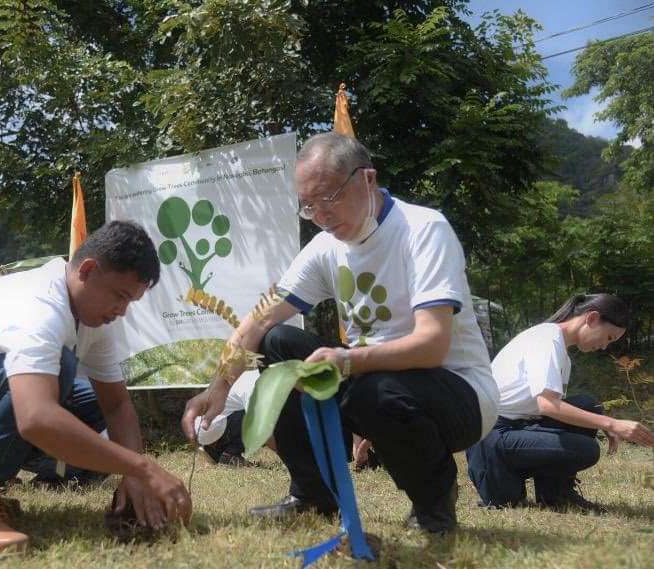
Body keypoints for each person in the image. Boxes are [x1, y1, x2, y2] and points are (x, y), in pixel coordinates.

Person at [182, 132, 499, 534]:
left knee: (375, 390)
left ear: (367, 179)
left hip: (459, 394)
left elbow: (433, 344)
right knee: (278, 341)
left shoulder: (422, 230)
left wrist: (348, 361)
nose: (321, 215)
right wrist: (219, 388)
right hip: (370, 381)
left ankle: (434, 503)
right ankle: (313, 494)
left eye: (329, 198)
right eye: (309, 205)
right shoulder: (325, 247)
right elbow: (258, 320)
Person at [0, 220, 191, 558]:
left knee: (88, 401)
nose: (122, 310)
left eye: (131, 301)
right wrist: (142, 468)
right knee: (57, 373)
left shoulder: (93, 318)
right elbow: (35, 418)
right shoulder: (40, 305)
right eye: (119, 295)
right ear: (87, 270)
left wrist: (135, 476)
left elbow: (115, 405)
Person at [466, 294, 654, 512]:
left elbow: (551, 407)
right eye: (609, 337)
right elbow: (548, 404)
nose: (604, 346)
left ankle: (556, 494)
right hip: (490, 439)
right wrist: (611, 423)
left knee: (586, 404)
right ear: (592, 318)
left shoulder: (559, 349)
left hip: (514, 427)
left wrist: (601, 421)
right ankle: (503, 487)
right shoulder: (546, 339)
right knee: (586, 449)